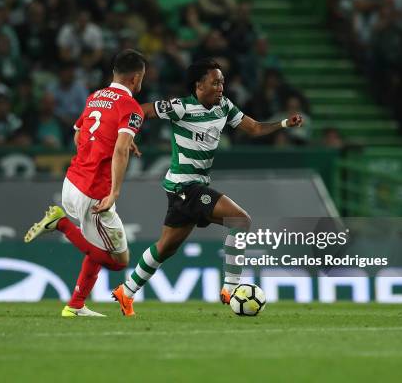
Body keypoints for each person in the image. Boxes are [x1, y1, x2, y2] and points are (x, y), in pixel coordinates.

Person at [111, 59, 303, 316]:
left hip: (191, 187)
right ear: (199, 85)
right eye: (215, 82)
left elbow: (254, 128)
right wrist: (127, 135)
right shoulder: (180, 107)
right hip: (185, 186)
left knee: (166, 247)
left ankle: (126, 291)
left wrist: (283, 124)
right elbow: (141, 110)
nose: (221, 86)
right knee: (240, 221)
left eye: (222, 81)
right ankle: (231, 288)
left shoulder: (223, 107)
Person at [23, 49, 147, 317]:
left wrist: (110, 143)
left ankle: (76, 305)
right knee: (119, 262)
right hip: (95, 190)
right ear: (136, 79)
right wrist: (114, 192)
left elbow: (80, 134)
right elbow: (121, 150)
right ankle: (61, 224)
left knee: (95, 247)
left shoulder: (95, 97)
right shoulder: (131, 107)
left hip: (73, 181)